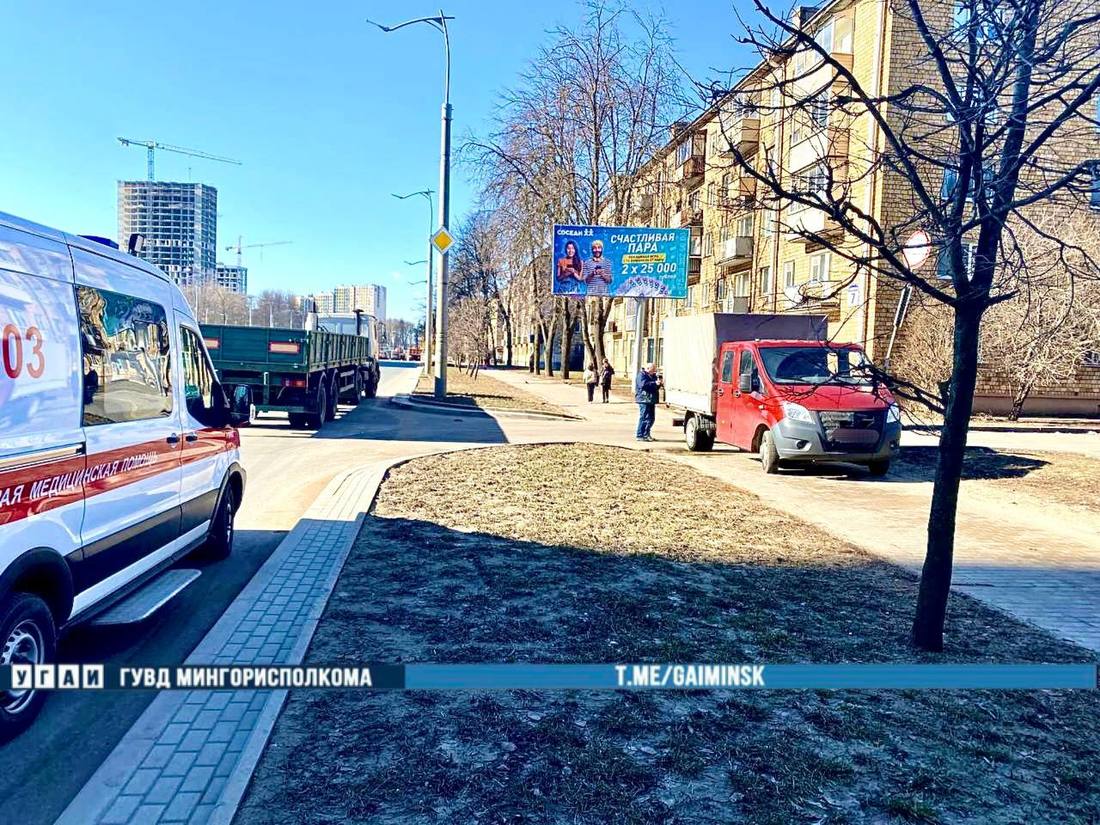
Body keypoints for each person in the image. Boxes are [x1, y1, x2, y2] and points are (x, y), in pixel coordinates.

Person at [634, 362, 661, 441]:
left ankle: (646, 434)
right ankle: (640, 435)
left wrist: (658, 384)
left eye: (655, 369)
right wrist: (654, 383)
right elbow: (643, 385)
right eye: (653, 369)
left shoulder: (653, 376)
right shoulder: (641, 375)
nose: (655, 371)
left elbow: (655, 387)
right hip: (644, 399)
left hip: (651, 400)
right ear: (648, 369)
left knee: (651, 418)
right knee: (644, 417)